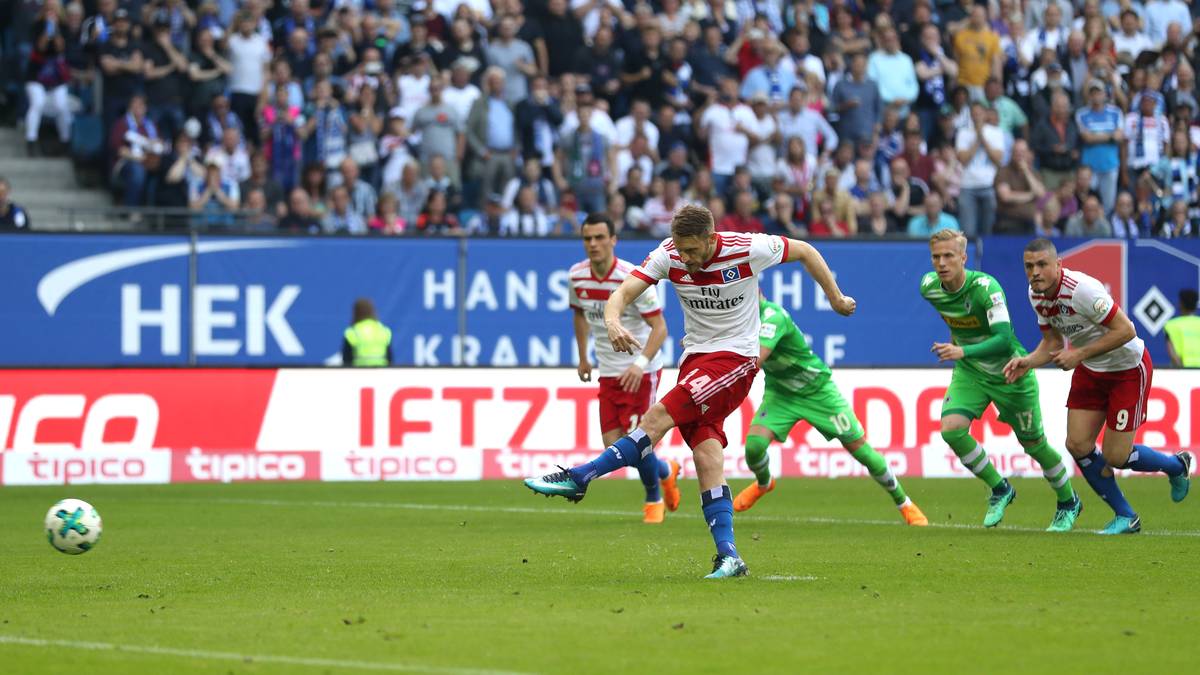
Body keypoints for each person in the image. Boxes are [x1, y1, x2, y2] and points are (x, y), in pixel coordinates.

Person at [525, 204, 856, 578]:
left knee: (657, 416)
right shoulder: (668, 254)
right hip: (695, 359)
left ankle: (581, 476)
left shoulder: (747, 248)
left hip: (735, 359)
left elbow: (806, 250)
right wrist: (613, 320)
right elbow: (624, 291)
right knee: (706, 458)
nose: (684, 258)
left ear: (711, 238)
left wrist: (835, 297)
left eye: (692, 250)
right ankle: (729, 556)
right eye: (680, 250)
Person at [1006, 239, 1192, 534]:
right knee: (1077, 445)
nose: (1035, 272)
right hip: (1092, 370)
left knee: (1116, 456)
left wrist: (1079, 354)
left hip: (1127, 369)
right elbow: (1053, 342)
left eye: (1042, 264)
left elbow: (1126, 330)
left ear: (1058, 265)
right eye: (1029, 266)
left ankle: (1176, 466)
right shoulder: (1036, 295)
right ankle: (1126, 516)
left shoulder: (1081, 290)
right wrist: (1027, 361)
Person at [921, 230, 1081, 531]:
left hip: (1011, 371)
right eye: (936, 257)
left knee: (1034, 445)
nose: (941, 263)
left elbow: (1003, 339)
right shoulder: (928, 287)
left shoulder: (986, 288)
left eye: (948, 256)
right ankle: (1000, 488)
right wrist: (962, 348)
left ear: (963, 258)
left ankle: (1068, 501)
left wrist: (961, 350)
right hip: (971, 371)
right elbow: (955, 318)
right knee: (952, 430)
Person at [732, 293, 928, 526]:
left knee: (860, 449)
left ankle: (904, 503)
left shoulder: (773, 317)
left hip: (818, 391)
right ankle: (765, 483)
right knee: (754, 447)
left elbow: (754, 362)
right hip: (781, 393)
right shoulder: (739, 320)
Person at [568, 213, 678, 524]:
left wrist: (640, 364)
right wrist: (583, 357)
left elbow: (660, 328)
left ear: (613, 240)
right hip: (608, 371)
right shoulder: (577, 275)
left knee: (638, 440)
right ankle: (666, 470)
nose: (593, 244)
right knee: (614, 447)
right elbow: (579, 315)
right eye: (587, 238)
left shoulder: (633, 277)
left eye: (599, 237)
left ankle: (653, 498)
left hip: (641, 370)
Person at [341, 298, 393, 367]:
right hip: (381, 371)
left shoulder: (352, 332)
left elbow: (346, 360)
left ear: (355, 313)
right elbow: (390, 358)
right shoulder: (384, 330)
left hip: (359, 372)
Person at [1165, 289, 1200, 367]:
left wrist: (1181, 370)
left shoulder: (1171, 325)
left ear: (1181, 304)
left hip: (1183, 370)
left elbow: (1172, 353)